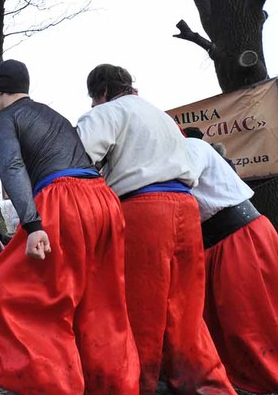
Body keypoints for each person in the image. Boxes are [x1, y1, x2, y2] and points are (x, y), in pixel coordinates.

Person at [0, 60, 140, 393]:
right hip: (103, 200)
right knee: (102, 306)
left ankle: (57, 385)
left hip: (60, 201)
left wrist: (33, 223)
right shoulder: (51, 114)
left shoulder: (2, 119)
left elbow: (12, 166)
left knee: (14, 296)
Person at [76, 63, 233, 393]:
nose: (92, 105)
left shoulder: (105, 114)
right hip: (186, 208)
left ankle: (138, 385)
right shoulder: (164, 118)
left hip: (143, 210)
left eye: (93, 98)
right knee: (186, 311)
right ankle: (206, 386)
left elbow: (79, 161)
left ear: (101, 92)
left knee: (140, 309)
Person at [185, 136, 278, 393]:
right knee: (229, 329)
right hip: (215, 246)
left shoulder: (191, 148)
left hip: (239, 239)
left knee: (251, 322)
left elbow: (183, 179)